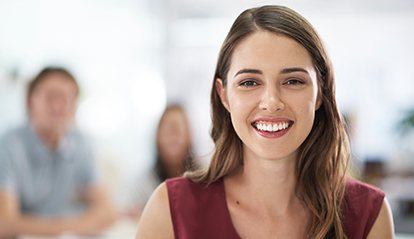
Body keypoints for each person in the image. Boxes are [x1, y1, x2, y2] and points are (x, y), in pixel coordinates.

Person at [136, 5, 395, 239]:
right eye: (249, 82)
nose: (271, 102)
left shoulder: (368, 215)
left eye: (293, 81)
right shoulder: (170, 210)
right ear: (224, 95)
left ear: (320, 93)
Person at [0, 67, 116, 237]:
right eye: (51, 97)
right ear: (30, 102)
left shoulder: (80, 143)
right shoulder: (8, 145)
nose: (58, 106)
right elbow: (5, 224)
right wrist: (77, 224)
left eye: (66, 98)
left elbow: (107, 212)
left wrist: (61, 226)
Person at [125, 104, 197, 218]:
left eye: (178, 130)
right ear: (157, 137)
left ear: (189, 136)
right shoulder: (142, 183)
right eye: (168, 131)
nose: (173, 138)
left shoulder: (206, 180)